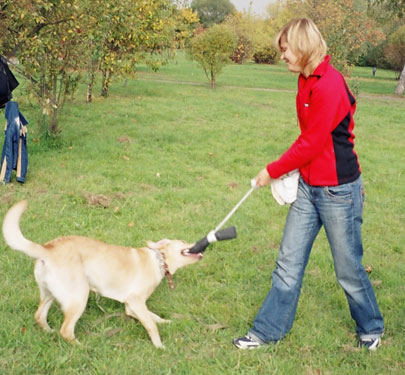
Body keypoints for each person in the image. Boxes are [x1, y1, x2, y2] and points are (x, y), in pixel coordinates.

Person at [233, 18, 384, 351]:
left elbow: (313, 142)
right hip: (308, 187)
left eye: (285, 49)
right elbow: (310, 140)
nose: (282, 56)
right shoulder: (305, 79)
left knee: (348, 269)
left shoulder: (329, 84)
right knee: (287, 263)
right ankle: (266, 332)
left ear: (302, 46)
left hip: (338, 191)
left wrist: (271, 170)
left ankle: (371, 327)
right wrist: (290, 173)